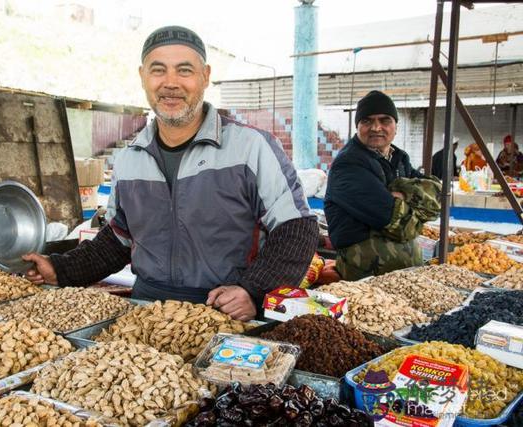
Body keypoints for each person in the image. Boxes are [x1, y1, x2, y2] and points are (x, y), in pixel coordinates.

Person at [22, 26, 318, 321]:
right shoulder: (130, 158)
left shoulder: (251, 148)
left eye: (184, 70)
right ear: (143, 77)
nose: (170, 83)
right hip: (146, 313)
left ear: (205, 76)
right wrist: (61, 268)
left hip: (224, 313)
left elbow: (297, 228)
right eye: (158, 70)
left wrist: (253, 290)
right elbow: (118, 240)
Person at [324, 90, 440, 281]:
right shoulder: (348, 165)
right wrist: (418, 208)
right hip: (367, 278)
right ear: (358, 127)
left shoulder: (399, 158)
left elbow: (437, 196)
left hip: (406, 277)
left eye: (384, 120)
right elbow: (401, 225)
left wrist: (401, 194)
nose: (376, 127)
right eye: (367, 121)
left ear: (395, 126)